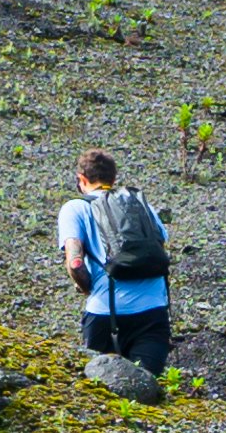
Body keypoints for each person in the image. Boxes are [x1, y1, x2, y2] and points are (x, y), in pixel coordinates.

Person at [55, 151, 172, 381]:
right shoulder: (139, 204)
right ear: (113, 179)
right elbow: (159, 245)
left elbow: (75, 262)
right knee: (146, 388)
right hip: (154, 310)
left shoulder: (75, 208)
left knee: (102, 392)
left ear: (82, 179)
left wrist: (88, 288)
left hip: (106, 314)